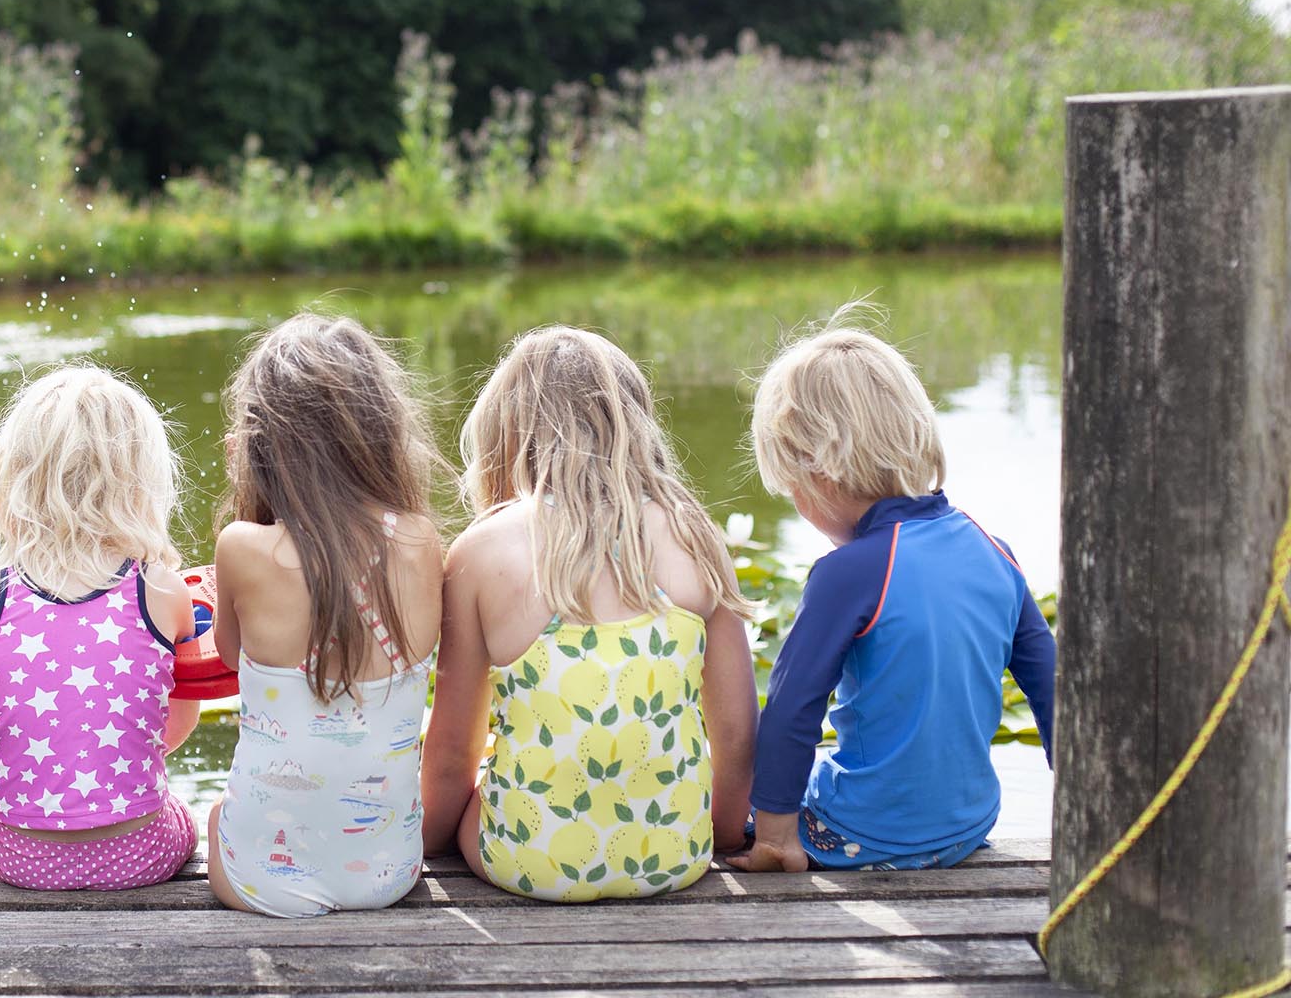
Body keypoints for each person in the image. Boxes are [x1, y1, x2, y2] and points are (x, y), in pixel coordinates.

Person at [423, 326, 758, 900]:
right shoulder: (693, 532)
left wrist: (429, 846)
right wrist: (722, 835)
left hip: (533, 864)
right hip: (677, 855)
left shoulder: (481, 552)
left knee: (473, 802)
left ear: (506, 435)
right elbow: (735, 731)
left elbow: (456, 754)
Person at [731, 321, 1056, 873]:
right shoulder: (992, 549)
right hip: (969, 826)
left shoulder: (848, 572)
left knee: (726, 797)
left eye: (792, 491)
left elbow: (792, 711)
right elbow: (1051, 688)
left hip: (860, 835)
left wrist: (776, 835)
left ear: (820, 472)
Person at [207, 314, 446, 917]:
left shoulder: (242, 547)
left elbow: (227, 656)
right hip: (390, 874)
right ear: (381, 432)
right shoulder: (421, 540)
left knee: (213, 816)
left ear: (261, 446)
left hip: (262, 881)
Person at [0, 365, 202, 889]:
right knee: (192, 812)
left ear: (15, 477)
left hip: (19, 860)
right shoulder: (163, 592)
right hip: (141, 856)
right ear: (141, 481)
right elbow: (177, 725)